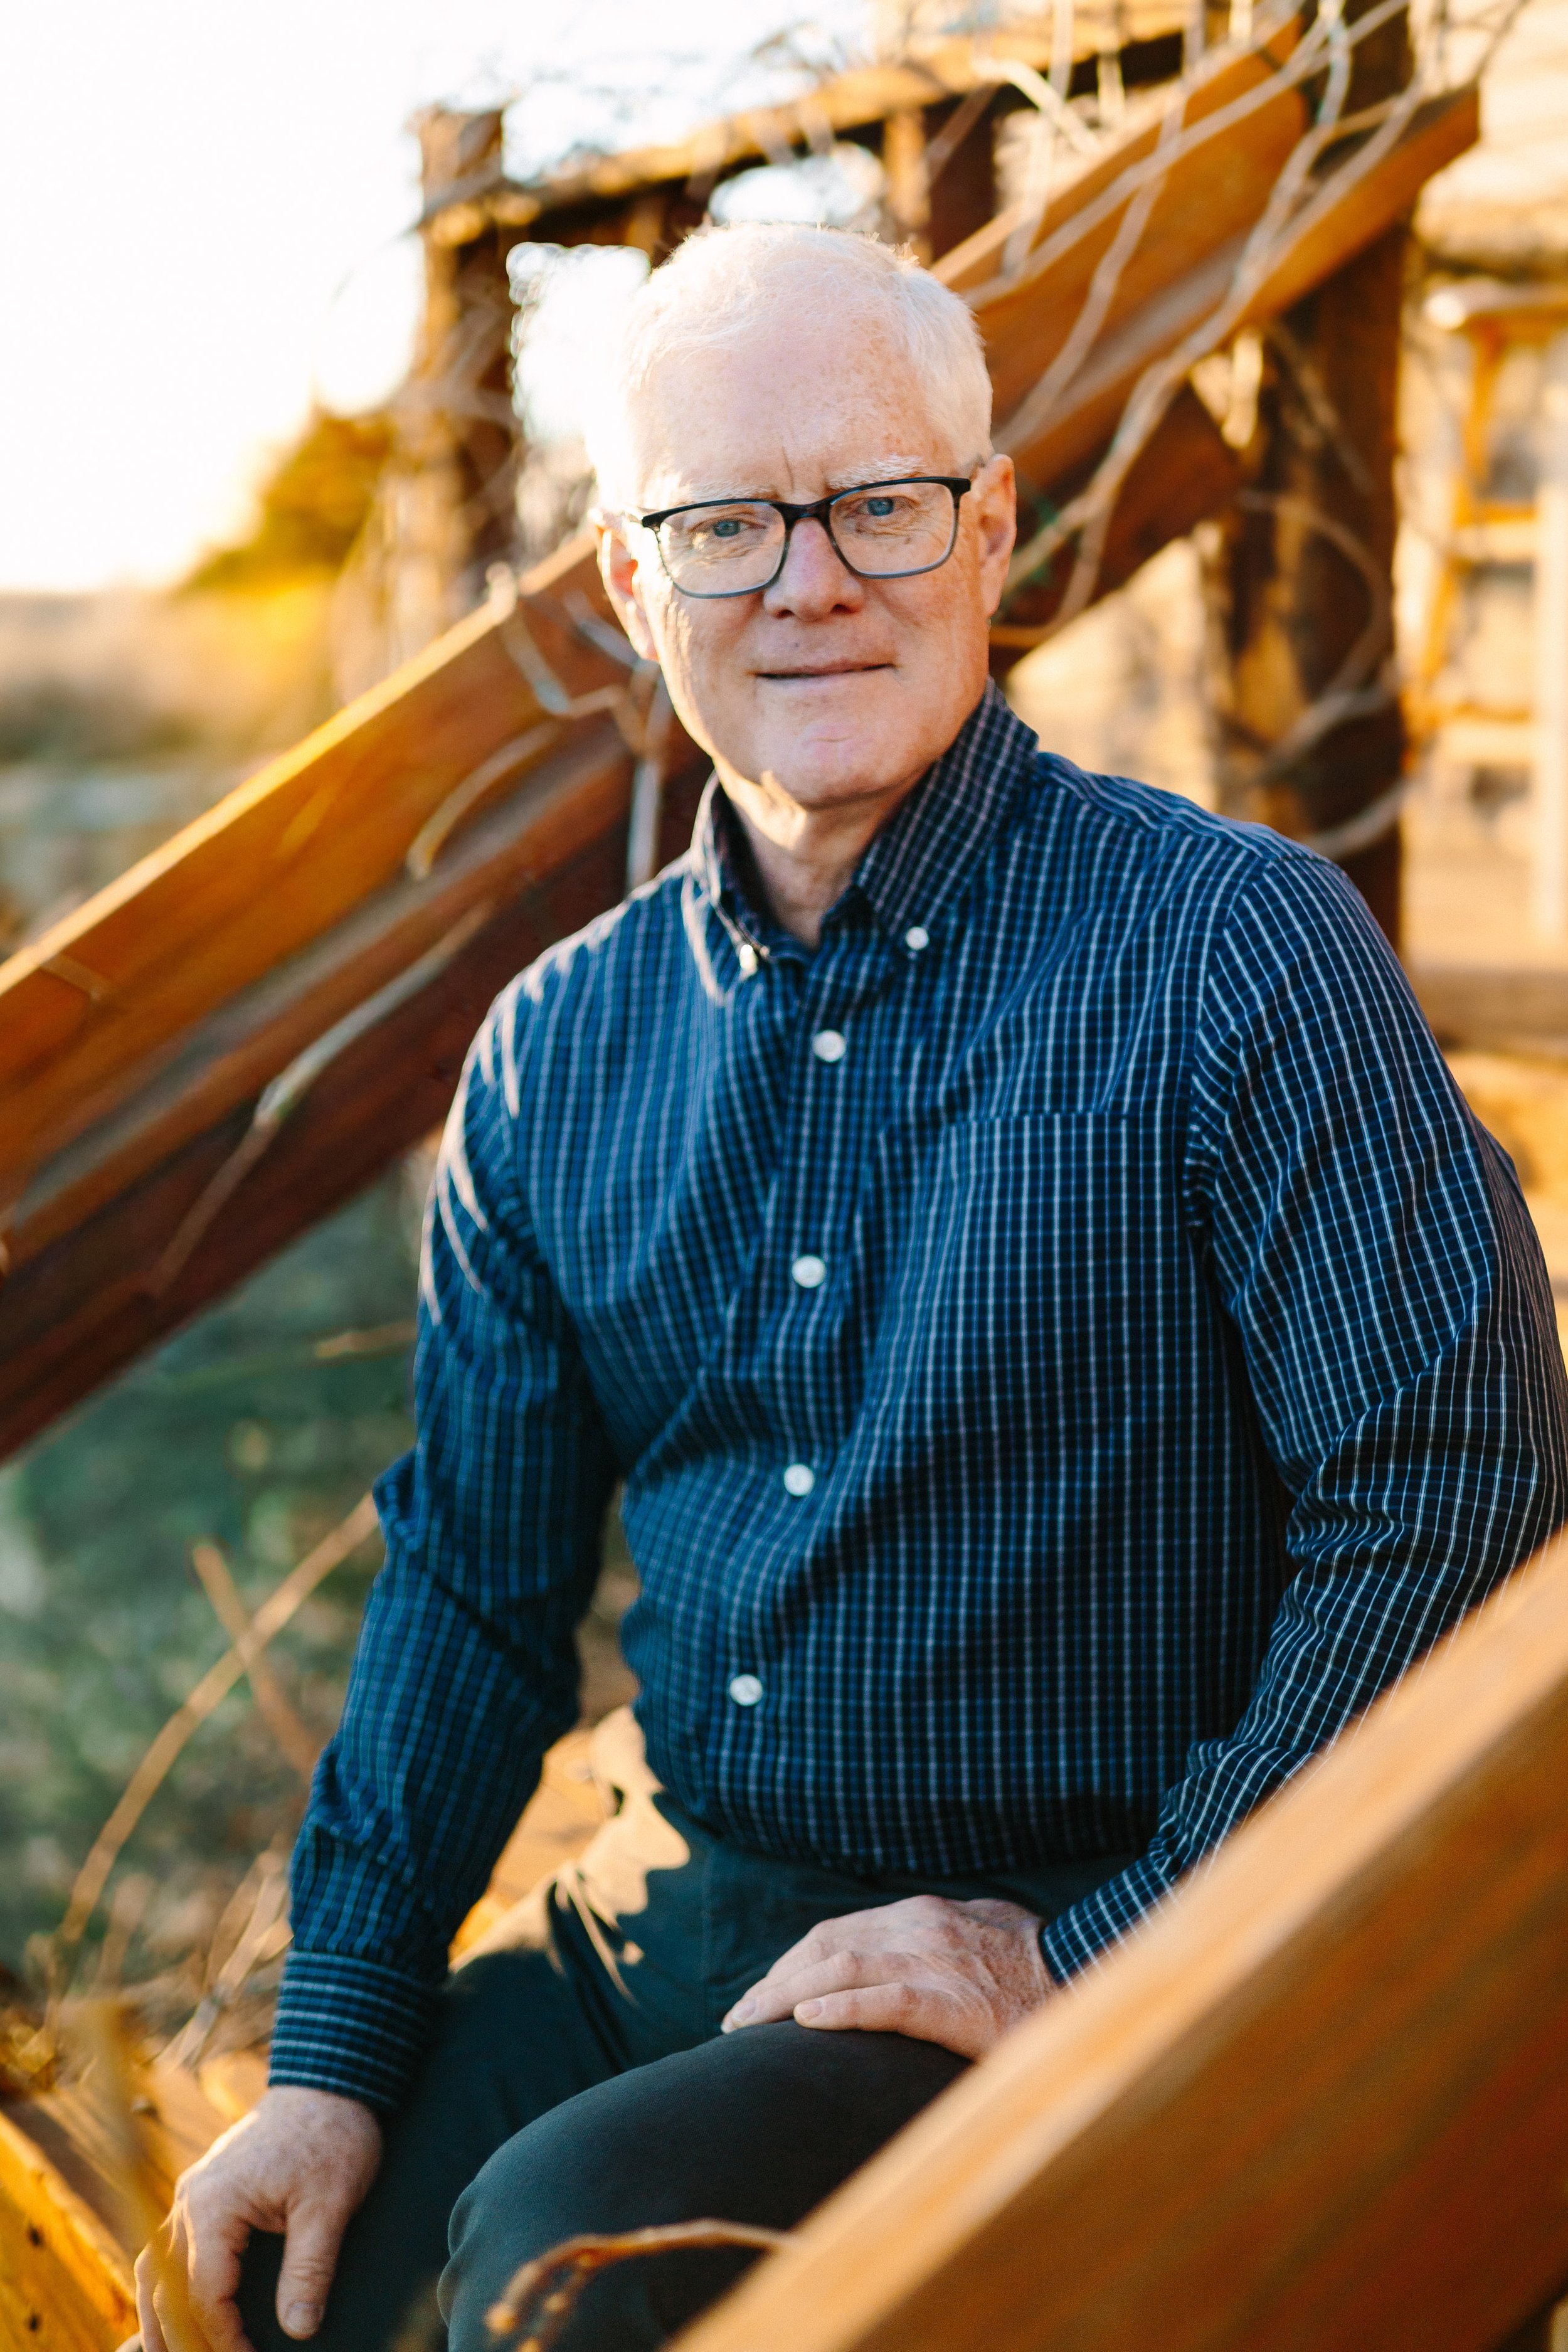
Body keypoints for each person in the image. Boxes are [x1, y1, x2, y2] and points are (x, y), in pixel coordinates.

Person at [135, 221, 1568, 2352]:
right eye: (724, 525)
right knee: (268, 2292)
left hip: (1065, 1924)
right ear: (631, 584)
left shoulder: (1233, 953)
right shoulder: (554, 1051)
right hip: (663, 1914)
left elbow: (1452, 1493)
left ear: (988, 531)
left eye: (878, 503)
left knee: (571, 2268)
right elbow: (472, 1591)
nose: (808, 582)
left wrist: (1101, 1948)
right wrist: (330, 2055)